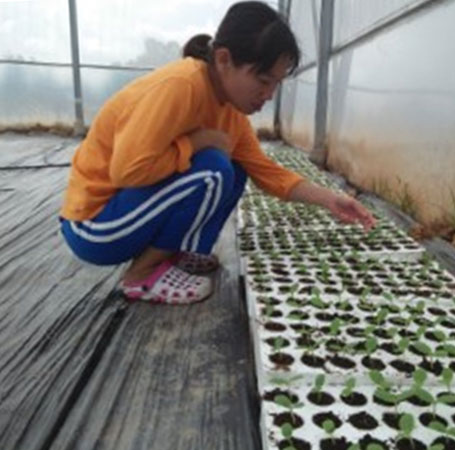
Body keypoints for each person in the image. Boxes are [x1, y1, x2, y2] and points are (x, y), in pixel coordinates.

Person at [59, 1, 376, 305]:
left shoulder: (231, 113)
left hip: (127, 216)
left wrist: (330, 199)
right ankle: (141, 274)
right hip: (95, 227)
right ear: (224, 60)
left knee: (235, 170)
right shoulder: (181, 86)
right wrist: (197, 142)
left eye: (276, 84)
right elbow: (127, 172)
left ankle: (177, 253)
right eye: (263, 80)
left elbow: (267, 172)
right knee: (214, 168)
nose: (268, 95)